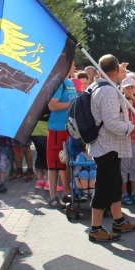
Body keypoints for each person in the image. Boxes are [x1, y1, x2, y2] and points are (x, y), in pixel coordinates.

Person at [88, 54, 135, 242]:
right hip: (107, 146)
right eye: (123, 70)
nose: (124, 74)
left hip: (110, 147)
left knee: (115, 185)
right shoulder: (107, 91)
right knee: (104, 187)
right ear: (116, 69)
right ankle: (95, 228)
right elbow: (112, 123)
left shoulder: (99, 86)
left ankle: (118, 220)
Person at [46, 62, 77, 208]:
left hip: (69, 129)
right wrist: (70, 104)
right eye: (72, 64)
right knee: (55, 163)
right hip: (57, 128)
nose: (75, 67)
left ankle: (66, 192)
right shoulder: (58, 83)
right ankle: (53, 196)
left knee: (66, 162)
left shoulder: (69, 82)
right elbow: (52, 105)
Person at [120, 77, 135, 205]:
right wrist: (126, 104)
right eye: (127, 87)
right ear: (122, 88)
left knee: (134, 167)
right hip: (123, 139)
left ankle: (134, 192)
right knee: (123, 168)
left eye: (132, 87)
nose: (130, 90)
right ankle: (124, 193)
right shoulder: (119, 100)